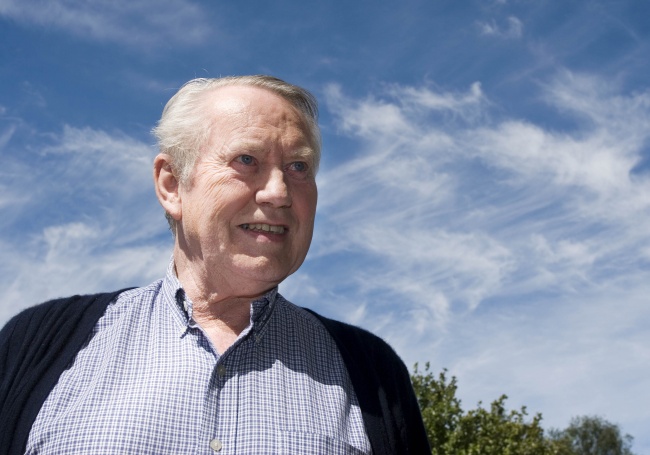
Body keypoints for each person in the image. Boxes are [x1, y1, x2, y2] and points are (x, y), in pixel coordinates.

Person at [0, 75, 430, 454]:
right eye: (247, 160)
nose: (279, 192)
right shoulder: (38, 345)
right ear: (172, 185)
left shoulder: (371, 374)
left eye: (298, 166)